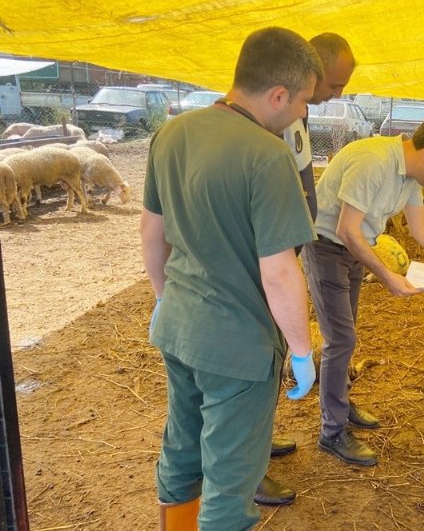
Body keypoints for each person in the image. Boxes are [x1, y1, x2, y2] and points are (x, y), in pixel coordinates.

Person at [141, 27, 323, 531]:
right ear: (279, 94)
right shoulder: (268, 155)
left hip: (178, 329)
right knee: (230, 478)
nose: (304, 112)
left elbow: (152, 232)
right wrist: (302, 349)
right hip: (237, 346)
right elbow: (280, 271)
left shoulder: (172, 133)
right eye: (305, 100)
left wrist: (164, 298)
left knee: (182, 445)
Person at [304, 115, 424, 466]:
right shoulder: (373, 162)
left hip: (355, 250)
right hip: (327, 247)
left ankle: (339, 402)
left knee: (347, 334)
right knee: (340, 339)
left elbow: (421, 229)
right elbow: (346, 230)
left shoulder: (410, 175)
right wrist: (387, 275)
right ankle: (332, 431)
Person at [259, 33, 357, 505]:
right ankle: (247, 468)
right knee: (257, 361)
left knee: (270, 356)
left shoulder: (296, 116)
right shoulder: (264, 125)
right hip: (268, 261)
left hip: (288, 250)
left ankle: (256, 442)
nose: (334, 94)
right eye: (332, 85)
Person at [282, 33, 356, 222]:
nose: (339, 95)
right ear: (311, 72)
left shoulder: (300, 112)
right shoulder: (278, 116)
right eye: (334, 85)